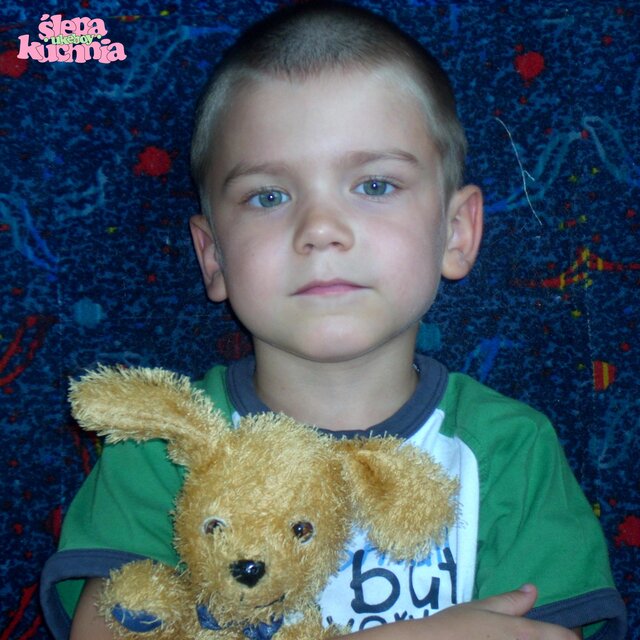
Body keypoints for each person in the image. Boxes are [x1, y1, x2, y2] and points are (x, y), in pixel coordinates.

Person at [40, 2, 626, 638]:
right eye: (269, 196)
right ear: (213, 257)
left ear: (457, 232)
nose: (320, 229)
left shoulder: (511, 450)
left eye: (374, 185)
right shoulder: (163, 444)